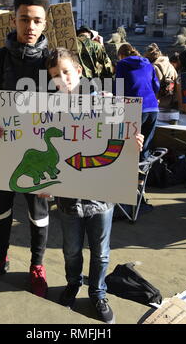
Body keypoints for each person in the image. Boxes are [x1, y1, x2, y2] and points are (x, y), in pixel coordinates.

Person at [46, 47, 143, 324]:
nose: (61, 79)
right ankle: (73, 283)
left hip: (102, 197)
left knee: (100, 253)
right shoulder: (48, 111)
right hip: (67, 199)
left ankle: (97, 292)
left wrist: (133, 142)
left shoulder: (105, 101)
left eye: (65, 72)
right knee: (71, 250)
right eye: (54, 75)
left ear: (78, 71)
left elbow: (126, 136)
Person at [0, 0, 51, 298]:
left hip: (42, 153)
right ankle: (0, 255)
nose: (30, 27)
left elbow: (78, 105)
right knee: (1, 207)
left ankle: (37, 265)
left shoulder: (53, 60)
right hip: (3, 149)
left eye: (36, 21)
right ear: (13, 20)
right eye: (24, 19)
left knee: (38, 210)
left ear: (44, 24)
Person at [116, 43, 160, 162]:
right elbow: (156, 86)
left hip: (135, 108)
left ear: (121, 55)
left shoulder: (121, 64)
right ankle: (143, 177)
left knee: (130, 146)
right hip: (153, 108)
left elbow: (118, 88)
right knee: (145, 149)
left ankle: (130, 177)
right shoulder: (148, 64)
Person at [144, 43, 178, 109]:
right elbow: (176, 83)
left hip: (157, 105)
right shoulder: (170, 65)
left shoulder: (153, 68)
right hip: (170, 103)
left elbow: (153, 88)